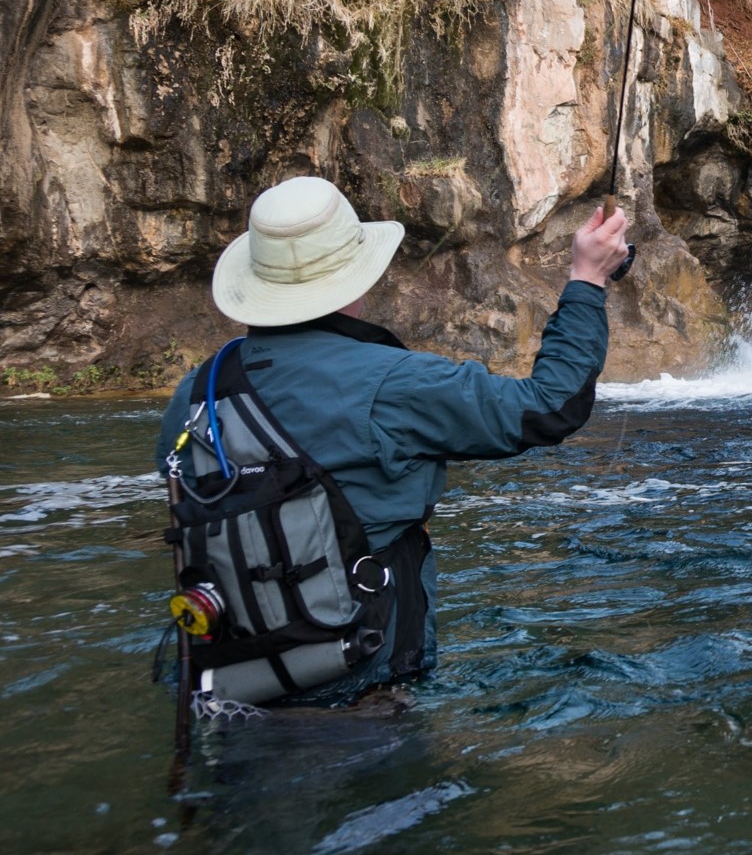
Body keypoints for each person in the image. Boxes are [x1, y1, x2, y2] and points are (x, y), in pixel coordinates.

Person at [156, 175, 629, 705]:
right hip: (359, 686)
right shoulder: (393, 383)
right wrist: (587, 278)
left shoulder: (197, 391)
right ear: (356, 278)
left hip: (231, 684)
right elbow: (550, 406)